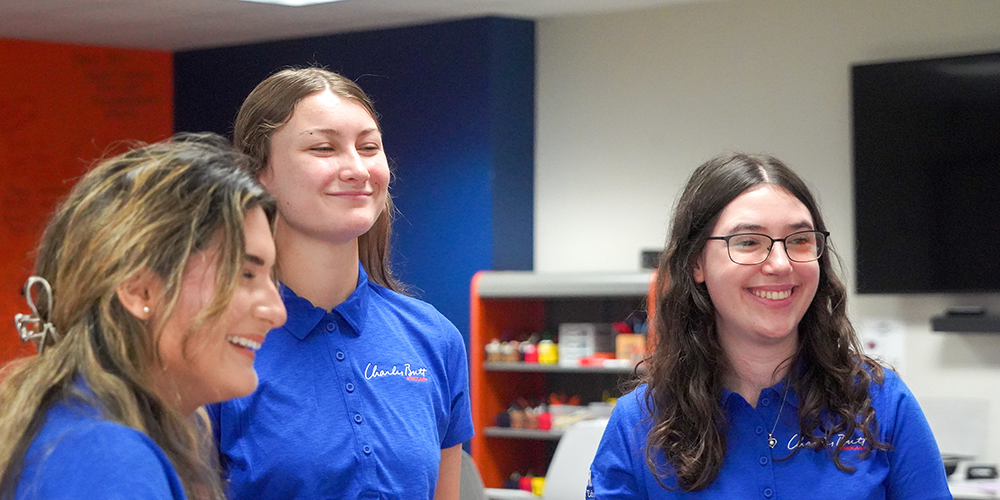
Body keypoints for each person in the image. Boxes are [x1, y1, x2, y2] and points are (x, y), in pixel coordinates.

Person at [588, 153, 951, 499]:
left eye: (800, 240)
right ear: (697, 263)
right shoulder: (638, 423)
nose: (780, 264)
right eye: (748, 241)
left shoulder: (880, 402)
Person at [207, 67, 474, 500]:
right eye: (323, 148)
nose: (357, 169)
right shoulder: (214, 344)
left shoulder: (433, 337)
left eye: (369, 147)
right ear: (257, 174)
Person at [0, 133, 286, 500]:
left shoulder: (77, 432)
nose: (276, 312)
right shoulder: (105, 459)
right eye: (245, 274)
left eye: (271, 277)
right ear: (140, 290)